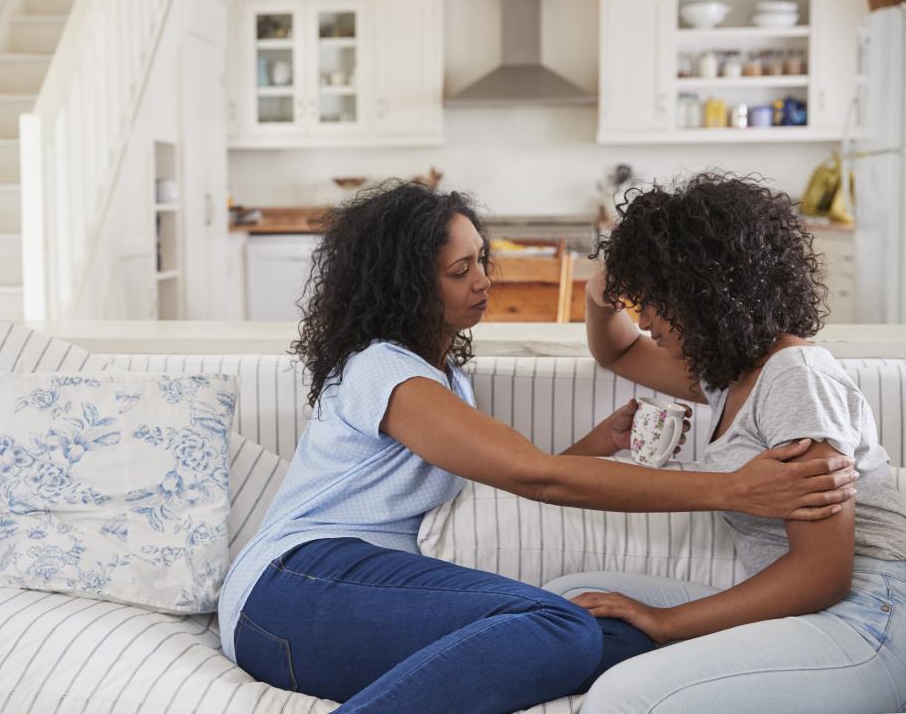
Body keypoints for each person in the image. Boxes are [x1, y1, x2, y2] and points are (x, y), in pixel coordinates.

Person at [216, 180, 857, 714]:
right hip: (295, 584)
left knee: (616, 635)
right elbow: (536, 478)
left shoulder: (445, 382)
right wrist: (733, 487)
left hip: (338, 613)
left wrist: (595, 445)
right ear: (405, 286)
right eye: (459, 270)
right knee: (564, 626)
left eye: (483, 261)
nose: (483, 280)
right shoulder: (384, 371)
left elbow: (511, 476)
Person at [546, 172, 906, 713]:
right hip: (815, 609)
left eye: (653, 300)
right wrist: (602, 295)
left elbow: (821, 574)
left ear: (704, 292)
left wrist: (665, 623)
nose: (642, 320)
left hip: (872, 612)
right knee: (569, 598)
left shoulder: (796, 377)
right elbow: (618, 354)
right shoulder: (732, 374)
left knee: (629, 696)